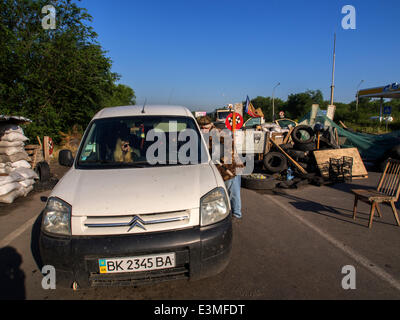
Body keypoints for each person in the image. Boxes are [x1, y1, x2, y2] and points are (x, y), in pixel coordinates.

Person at [198, 116, 243, 219]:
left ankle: (236, 214)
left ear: (210, 125)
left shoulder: (218, 133)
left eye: (205, 127)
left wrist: (220, 161)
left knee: (233, 193)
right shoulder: (205, 135)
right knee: (226, 192)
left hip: (230, 168)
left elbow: (229, 149)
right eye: (201, 128)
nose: (203, 129)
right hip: (222, 168)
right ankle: (229, 212)